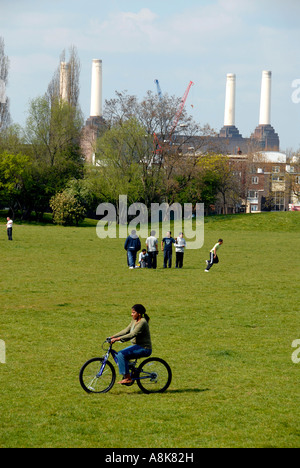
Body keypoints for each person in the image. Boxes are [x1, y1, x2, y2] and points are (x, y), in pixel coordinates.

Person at [109, 304, 152, 385]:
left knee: (121, 354)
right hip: (137, 346)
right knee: (121, 354)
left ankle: (128, 378)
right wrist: (113, 336)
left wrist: (117, 339)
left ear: (139, 313)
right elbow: (126, 330)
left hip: (144, 348)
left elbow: (132, 334)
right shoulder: (134, 321)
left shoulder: (142, 322)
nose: (131, 314)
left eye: (133, 312)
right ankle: (131, 369)